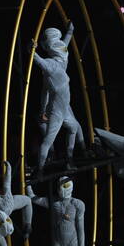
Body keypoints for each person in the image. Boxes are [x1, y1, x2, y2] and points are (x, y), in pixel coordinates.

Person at [32, 24, 84, 179]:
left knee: (74, 128)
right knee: (48, 140)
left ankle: (69, 158)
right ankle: (40, 169)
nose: (62, 47)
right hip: (57, 111)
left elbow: (65, 44)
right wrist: (32, 48)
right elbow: (35, 57)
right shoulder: (50, 65)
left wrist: (70, 31)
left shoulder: (62, 60)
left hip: (63, 108)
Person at [27, 177, 86, 246]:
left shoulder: (77, 204)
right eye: (60, 186)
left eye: (65, 186)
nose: (62, 189)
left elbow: (80, 227)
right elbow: (33, 198)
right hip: (57, 241)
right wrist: (28, 184)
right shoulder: (53, 202)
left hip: (73, 241)